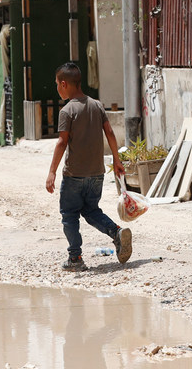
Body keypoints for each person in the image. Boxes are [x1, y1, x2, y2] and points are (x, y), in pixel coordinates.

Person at [45, 62, 132, 271]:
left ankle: (75, 259)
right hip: (97, 174)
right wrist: (117, 161)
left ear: (64, 84)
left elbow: (61, 142)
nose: (57, 88)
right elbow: (110, 133)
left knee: (69, 215)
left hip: (74, 175)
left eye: (57, 84)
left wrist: (52, 172)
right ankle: (116, 232)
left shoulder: (67, 111)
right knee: (91, 210)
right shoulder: (97, 105)